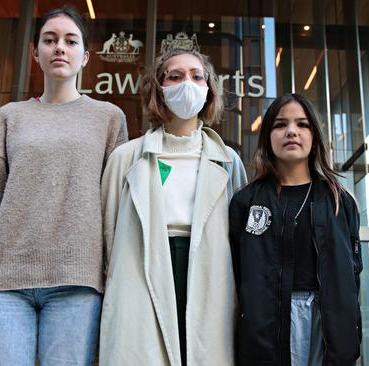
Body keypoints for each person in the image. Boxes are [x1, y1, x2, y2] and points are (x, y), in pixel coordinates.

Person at [0, 7, 127, 365]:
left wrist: (116, 282)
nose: (60, 48)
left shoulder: (109, 118)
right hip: (4, 280)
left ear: (85, 56)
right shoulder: (9, 117)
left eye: (70, 41)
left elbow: (116, 209)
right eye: (50, 40)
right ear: (36, 53)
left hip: (78, 281)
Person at [99, 48, 247, 366]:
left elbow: (240, 239)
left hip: (209, 274)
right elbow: (107, 235)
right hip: (141, 271)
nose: (186, 83)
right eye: (175, 76)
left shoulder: (229, 161)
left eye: (196, 76)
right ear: (159, 88)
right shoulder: (126, 158)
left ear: (209, 89)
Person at [229, 94, 362, 366]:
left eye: (302, 124)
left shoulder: (340, 200)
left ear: (314, 136)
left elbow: (353, 275)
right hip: (265, 326)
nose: (292, 131)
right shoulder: (246, 201)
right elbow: (234, 275)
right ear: (267, 136)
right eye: (280, 125)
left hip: (325, 324)